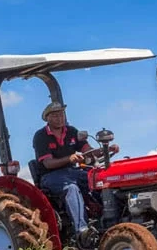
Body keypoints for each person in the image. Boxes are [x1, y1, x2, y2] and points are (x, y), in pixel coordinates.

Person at [32, 101, 119, 241]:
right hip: (50, 176)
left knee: (98, 179)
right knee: (71, 188)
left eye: (61, 114)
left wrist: (106, 149)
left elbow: (89, 152)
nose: (59, 118)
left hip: (73, 172)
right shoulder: (41, 136)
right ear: (47, 118)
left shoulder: (72, 131)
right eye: (55, 116)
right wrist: (70, 159)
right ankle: (82, 231)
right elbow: (48, 163)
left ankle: (110, 218)